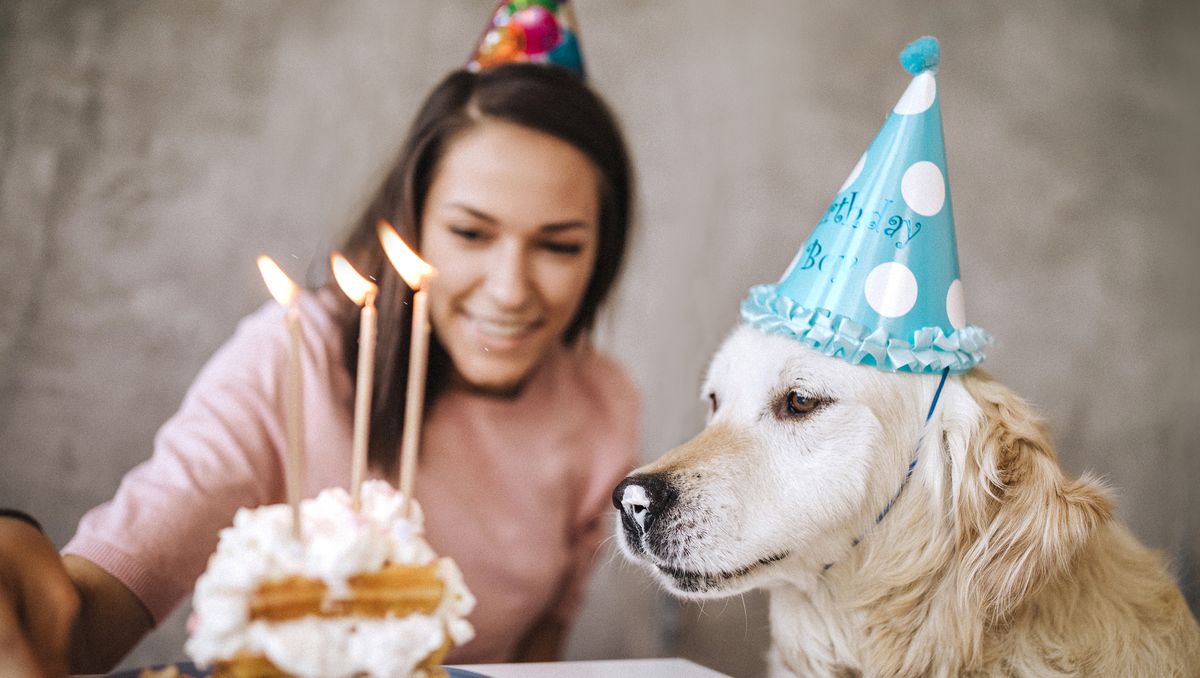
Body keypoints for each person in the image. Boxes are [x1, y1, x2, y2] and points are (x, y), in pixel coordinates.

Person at [0, 60, 639, 676]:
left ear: (601, 253)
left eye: (559, 245)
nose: (509, 290)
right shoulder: (295, 355)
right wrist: (30, 595)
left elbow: (542, 650)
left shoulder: (603, 405)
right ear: (413, 224)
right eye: (471, 233)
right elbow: (95, 605)